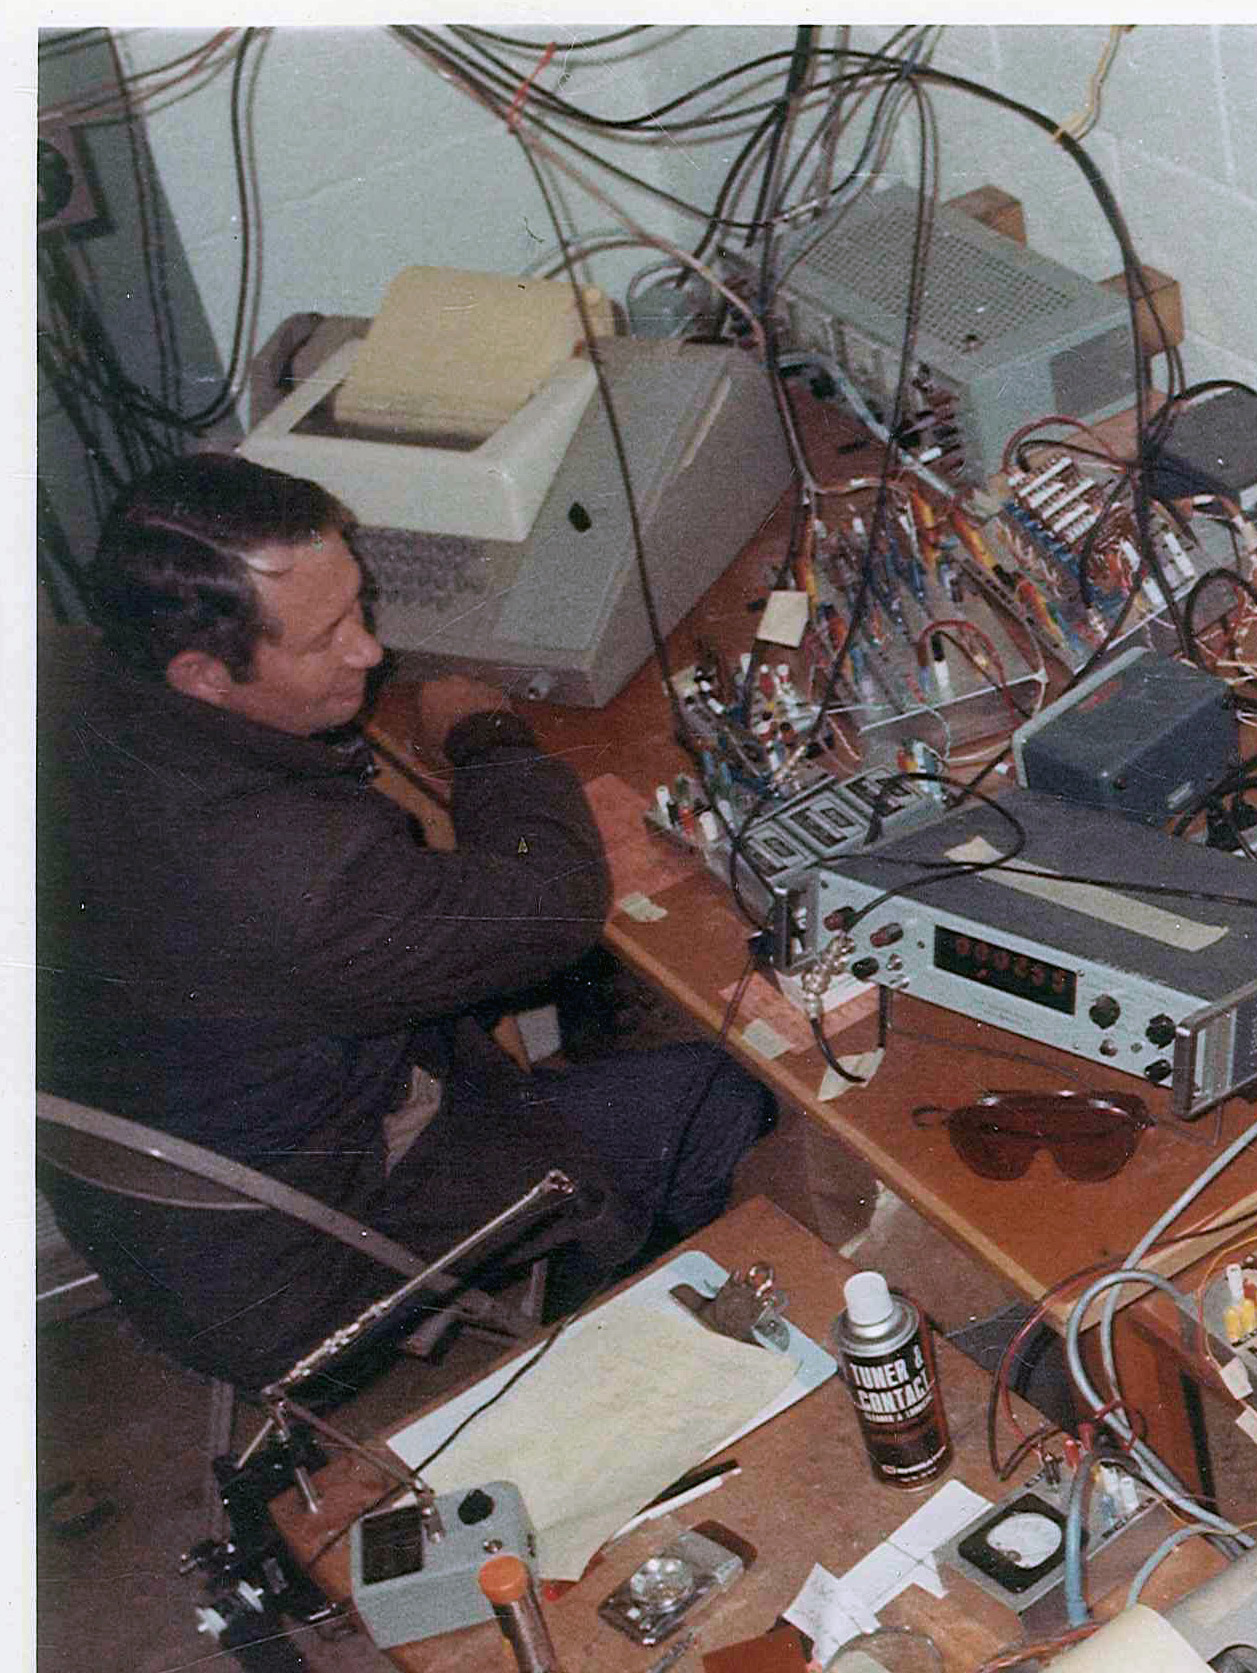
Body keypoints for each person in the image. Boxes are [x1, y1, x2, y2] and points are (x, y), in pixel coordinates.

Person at [38, 450, 775, 1396]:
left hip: (167, 1202)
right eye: (325, 638)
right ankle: (614, 1349)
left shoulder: (56, 671)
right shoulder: (288, 879)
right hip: (300, 1255)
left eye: (359, 607)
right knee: (719, 1092)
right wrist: (487, 737)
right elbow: (550, 906)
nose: (370, 653)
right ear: (202, 676)